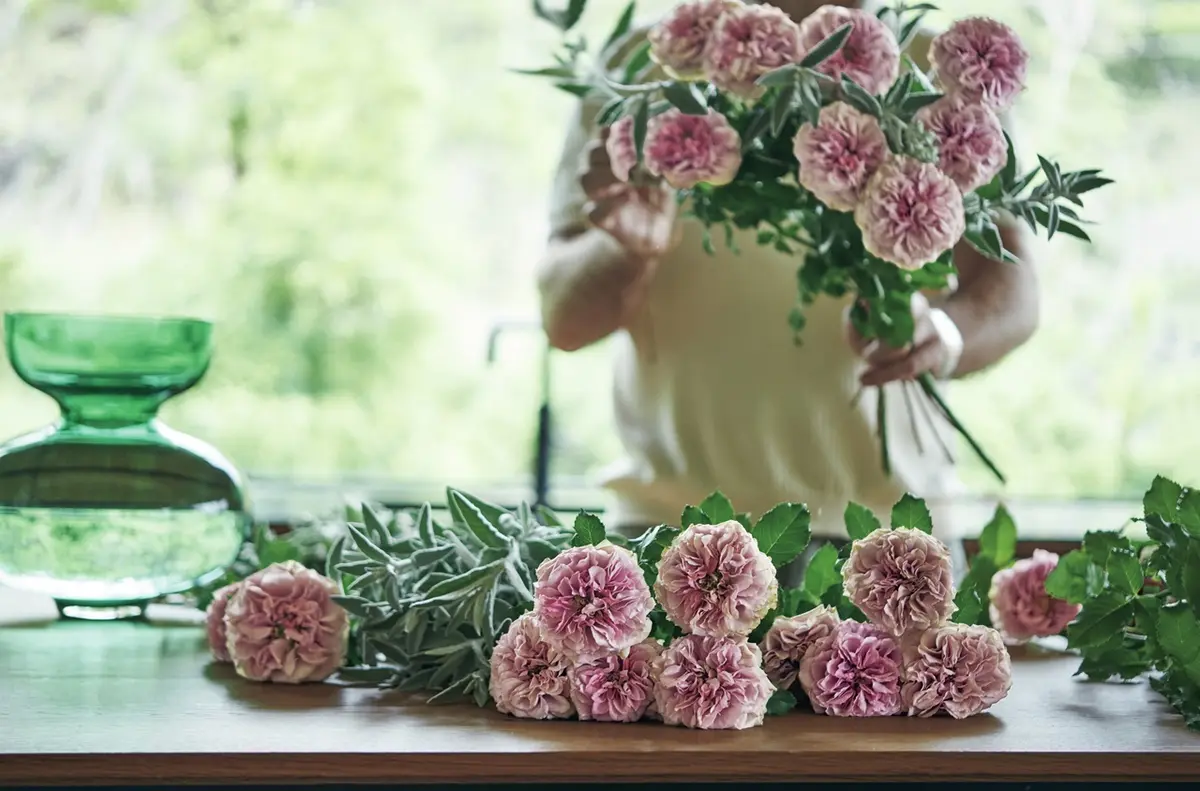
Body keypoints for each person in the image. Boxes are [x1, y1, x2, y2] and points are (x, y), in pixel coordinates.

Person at [536, 0, 1037, 557]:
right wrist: (622, 249)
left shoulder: (947, 69)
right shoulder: (647, 62)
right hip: (672, 526)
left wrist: (943, 335)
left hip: (893, 535)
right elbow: (563, 320)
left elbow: (1013, 288)